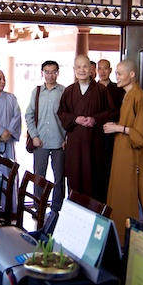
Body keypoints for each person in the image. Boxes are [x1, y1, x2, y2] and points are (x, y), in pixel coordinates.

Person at [103, 59, 143, 245]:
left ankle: (130, 236)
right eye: (116, 73)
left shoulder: (138, 97)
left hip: (133, 155)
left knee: (128, 192)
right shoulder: (127, 95)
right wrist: (117, 126)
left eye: (119, 73)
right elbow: (130, 123)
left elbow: (142, 135)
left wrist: (119, 129)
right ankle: (118, 234)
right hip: (123, 151)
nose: (116, 77)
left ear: (131, 74)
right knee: (119, 190)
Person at [57, 54, 117, 203]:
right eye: (78, 67)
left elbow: (112, 112)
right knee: (75, 177)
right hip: (75, 143)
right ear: (74, 69)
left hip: (94, 143)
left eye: (85, 66)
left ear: (91, 69)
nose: (82, 70)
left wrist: (95, 119)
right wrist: (74, 119)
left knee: (94, 177)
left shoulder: (101, 90)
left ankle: (94, 214)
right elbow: (61, 112)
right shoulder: (69, 91)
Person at [25, 60, 66, 212]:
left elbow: (68, 117)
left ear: (58, 73)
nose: (50, 75)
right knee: (39, 176)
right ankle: (38, 207)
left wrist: (66, 138)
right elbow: (28, 115)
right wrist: (34, 136)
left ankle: (56, 209)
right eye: (47, 72)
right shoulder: (36, 92)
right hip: (40, 141)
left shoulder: (64, 92)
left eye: (53, 71)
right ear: (42, 73)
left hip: (59, 142)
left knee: (59, 178)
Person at [97, 59, 125, 193]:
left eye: (105, 68)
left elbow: (122, 111)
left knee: (111, 164)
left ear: (110, 70)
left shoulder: (118, 89)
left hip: (114, 132)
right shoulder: (93, 89)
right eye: (100, 69)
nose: (102, 72)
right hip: (96, 131)